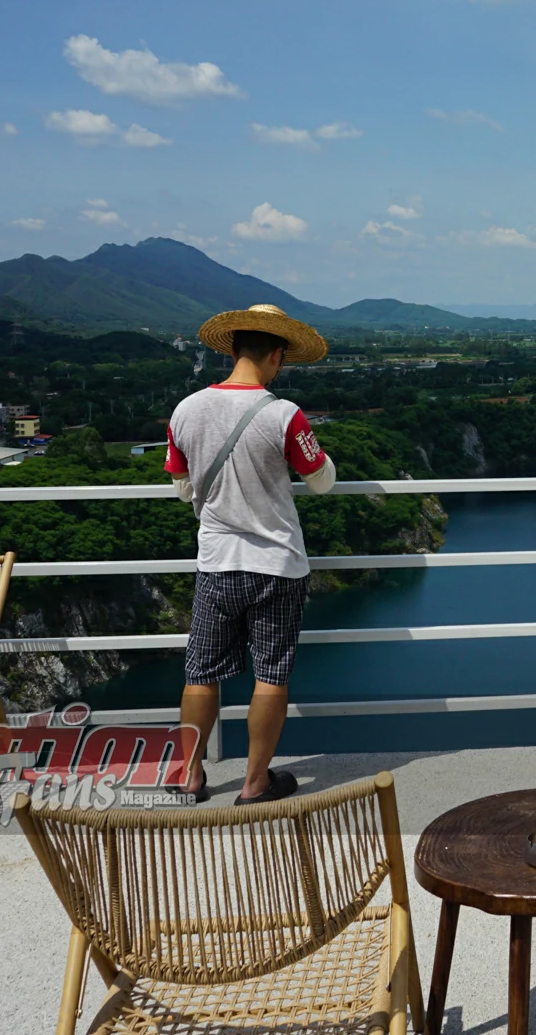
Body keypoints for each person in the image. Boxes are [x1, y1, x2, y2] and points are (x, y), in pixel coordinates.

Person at [164, 303, 336, 803]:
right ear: (277, 355)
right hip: (276, 564)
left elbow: (182, 486)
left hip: (218, 563)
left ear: (234, 349)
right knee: (270, 675)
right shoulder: (284, 415)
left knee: (200, 674)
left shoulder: (186, 409)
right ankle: (255, 783)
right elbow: (321, 481)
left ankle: (191, 777)